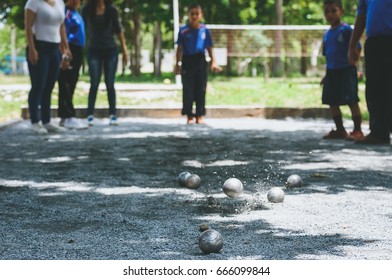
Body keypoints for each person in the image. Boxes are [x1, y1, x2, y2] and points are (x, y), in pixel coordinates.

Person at [24, 0, 71, 134]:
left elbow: (61, 26)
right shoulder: (33, 3)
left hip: (54, 48)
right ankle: (35, 121)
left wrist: (65, 47)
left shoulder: (59, 3)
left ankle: (47, 121)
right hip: (39, 46)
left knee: (49, 85)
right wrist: (32, 49)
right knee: (38, 85)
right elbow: (28, 27)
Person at [349, 0, 392, 145]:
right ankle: (379, 132)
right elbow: (361, 16)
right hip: (374, 42)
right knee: (375, 88)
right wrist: (352, 44)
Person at [320, 0, 364, 141]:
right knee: (331, 101)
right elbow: (328, 56)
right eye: (327, 11)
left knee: (351, 100)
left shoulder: (346, 30)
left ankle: (357, 130)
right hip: (332, 72)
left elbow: (357, 46)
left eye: (333, 10)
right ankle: (340, 129)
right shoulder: (326, 34)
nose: (330, 14)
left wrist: (354, 63)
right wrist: (326, 75)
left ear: (341, 12)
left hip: (346, 70)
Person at [82, 0, 128, 126]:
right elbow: (82, 28)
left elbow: (119, 30)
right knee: (94, 82)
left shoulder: (111, 10)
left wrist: (125, 51)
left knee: (110, 83)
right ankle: (90, 114)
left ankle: (113, 114)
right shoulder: (87, 10)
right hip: (93, 50)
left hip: (110, 50)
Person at [175, 4, 222, 124]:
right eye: (192, 14)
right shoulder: (183, 31)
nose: (194, 16)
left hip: (200, 60)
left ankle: (199, 115)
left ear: (201, 15)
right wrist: (177, 64)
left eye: (197, 14)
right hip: (187, 60)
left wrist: (213, 62)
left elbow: (209, 47)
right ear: (189, 15)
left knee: (201, 88)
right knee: (188, 88)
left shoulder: (205, 30)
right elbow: (179, 49)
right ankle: (189, 115)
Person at [57, 0, 88, 130]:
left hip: (78, 50)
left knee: (72, 82)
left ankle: (65, 116)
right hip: (69, 49)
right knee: (65, 83)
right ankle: (68, 115)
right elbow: (61, 31)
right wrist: (64, 52)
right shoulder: (64, 12)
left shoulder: (76, 13)